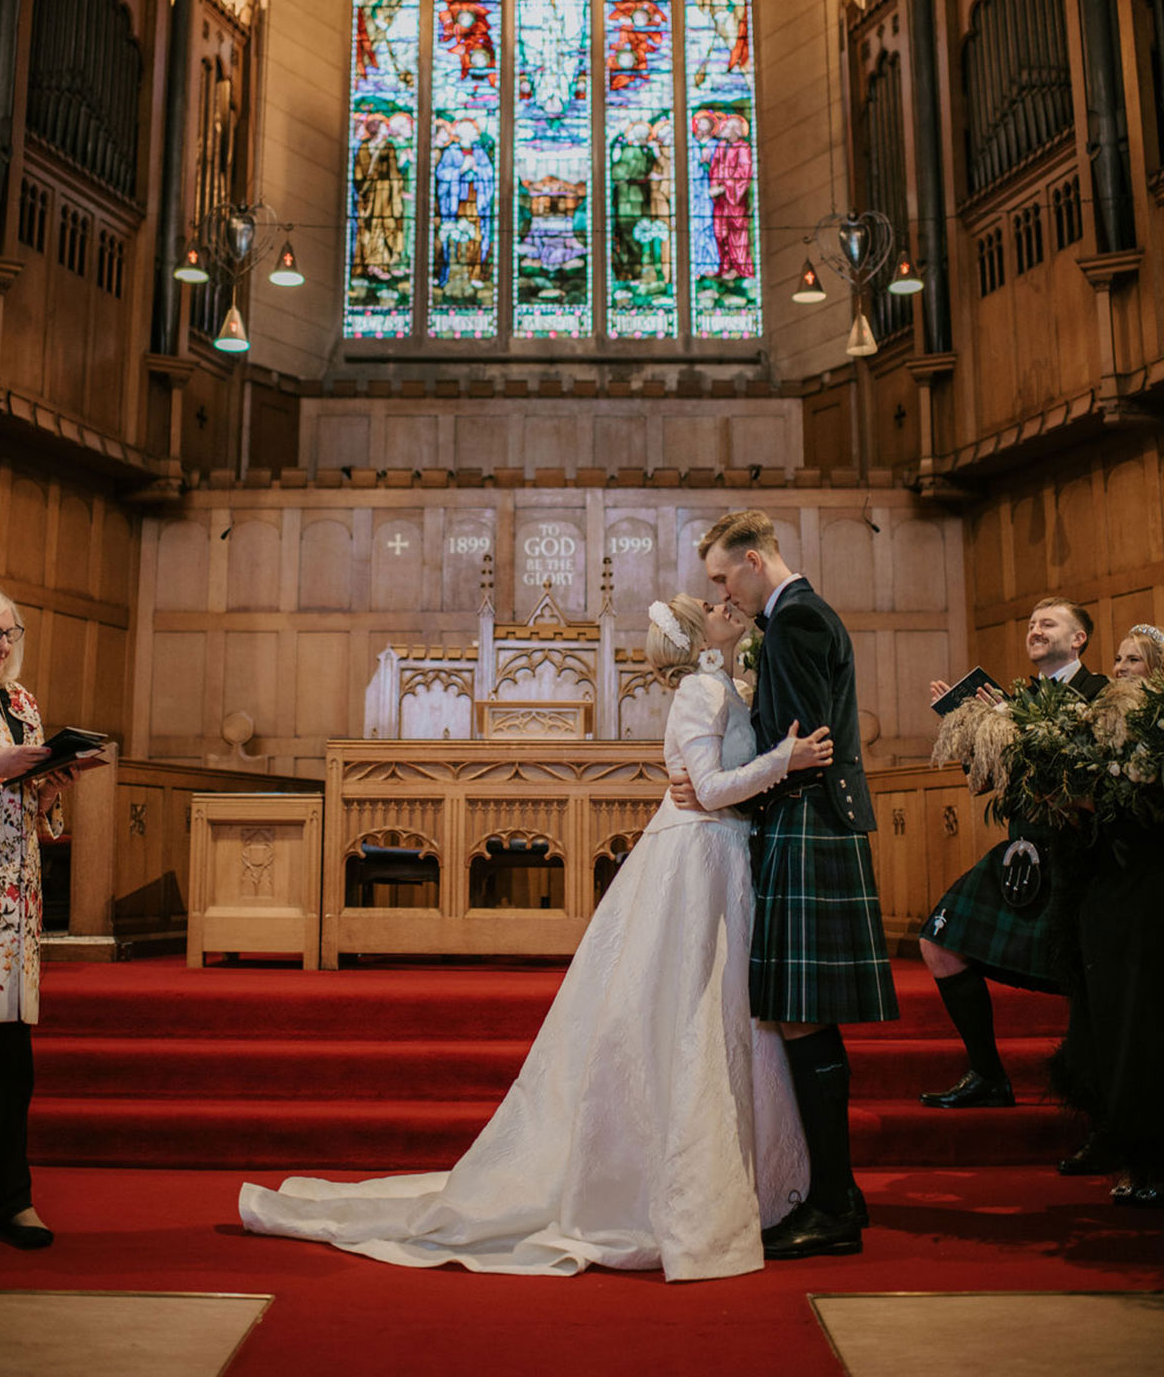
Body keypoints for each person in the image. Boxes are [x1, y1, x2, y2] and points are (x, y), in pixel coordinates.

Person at [241, 596, 836, 1280]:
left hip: (722, 856)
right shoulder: (701, 689)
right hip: (699, 860)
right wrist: (784, 762)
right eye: (709, 602)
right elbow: (705, 785)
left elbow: (711, 784)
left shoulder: (730, 683)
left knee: (716, 1017)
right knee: (688, 1017)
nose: (723, 602)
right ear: (699, 635)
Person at [683, 511, 897, 1260]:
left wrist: (718, 792)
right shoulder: (794, 618)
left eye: (721, 578)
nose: (721, 593)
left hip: (808, 821)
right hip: (805, 819)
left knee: (805, 1017)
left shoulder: (798, 620)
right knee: (804, 1017)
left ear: (751, 560)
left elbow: (799, 747)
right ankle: (837, 1195)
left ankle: (835, 1207)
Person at [919, 597, 1107, 1113]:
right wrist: (969, 731)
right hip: (1019, 851)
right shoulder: (1019, 699)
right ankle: (987, 1074)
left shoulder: (1101, 696)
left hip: (1077, 856)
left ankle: (1096, 1101)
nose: (1035, 630)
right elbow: (984, 784)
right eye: (1030, 625)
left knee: (1086, 976)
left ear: (1079, 639)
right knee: (939, 943)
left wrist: (1009, 725)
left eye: (1048, 624)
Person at [0, 582, 64, 1251]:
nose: (1, 646)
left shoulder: (22, 703)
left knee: (11, 1066)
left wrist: (50, 785)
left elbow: (39, 816)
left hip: (10, 909)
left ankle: (12, 1203)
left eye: (10, 634)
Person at [1052, 624, 1164, 1206]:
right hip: (1102, 892)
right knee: (1106, 1022)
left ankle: (1152, 1159)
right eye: (1117, 658)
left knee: (1142, 1030)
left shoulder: (1157, 731)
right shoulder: (1100, 729)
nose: (1119, 668)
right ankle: (1122, 1145)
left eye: (1134, 660)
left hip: (1147, 894)